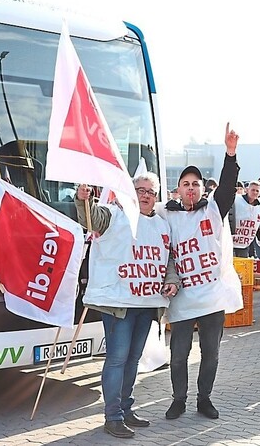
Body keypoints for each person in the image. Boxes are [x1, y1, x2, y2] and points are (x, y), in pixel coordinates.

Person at [75, 173, 179, 439]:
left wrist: (171, 280)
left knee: (133, 359)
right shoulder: (114, 215)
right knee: (117, 359)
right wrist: (83, 200)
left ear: (156, 197)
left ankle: (125, 408)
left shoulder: (162, 225)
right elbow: (91, 219)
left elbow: (167, 261)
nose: (145, 195)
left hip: (146, 304)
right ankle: (113, 417)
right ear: (130, 193)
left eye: (150, 192)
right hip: (118, 305)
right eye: (140, 190)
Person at [160, 122, 242, 421]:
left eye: (195, 183)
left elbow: (229, 186)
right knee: (178, 355)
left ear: (201, 187)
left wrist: (230, 154)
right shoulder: (166, 214)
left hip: (211, 297)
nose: (191, 188)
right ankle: (178, 399)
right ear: (178, 189)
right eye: (186, 184)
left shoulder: (213, 210)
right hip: (182, 297)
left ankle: (204, 398)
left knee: (212, 353)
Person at [231, 180, 260, 258]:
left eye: (257, 191)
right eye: (253, 190)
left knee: (242, 267)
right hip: (230, 242)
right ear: (247, 190)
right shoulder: (236, 200)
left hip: (245, 244)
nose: (255, 192)